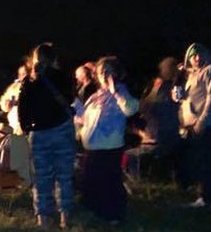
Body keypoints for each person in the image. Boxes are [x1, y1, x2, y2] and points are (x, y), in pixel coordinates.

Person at [17, 43, 76, 229]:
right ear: (53, 59)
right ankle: (64, 216)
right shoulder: (63, 78)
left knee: (42, 178)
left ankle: (42, 218)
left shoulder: (29, 81)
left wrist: (28, 129)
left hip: (39, 133)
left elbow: (22, 111)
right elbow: (70, 100)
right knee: (64, 175)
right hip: (62, 130)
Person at [74, 57, 139, 223]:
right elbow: (84, 118)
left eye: (108, 70)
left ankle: (114, 215)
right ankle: (96, 213)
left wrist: (115, 91)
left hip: (109, 145)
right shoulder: (96, 96)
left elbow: (131, 108)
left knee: (110, 181)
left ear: (115, 73)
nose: (104, 74)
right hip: (92, 146)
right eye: (101, 71)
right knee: (92, 179)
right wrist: (74, 106)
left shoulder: (120, 90)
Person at [173, 43, 211, 207]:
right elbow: (189, 98)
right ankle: (203, 195)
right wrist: (178, 97)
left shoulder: (209, 70)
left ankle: (207, 197)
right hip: (190, 124)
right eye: (193, 55)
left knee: (206, 160)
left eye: (199, 54)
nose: (197, 57)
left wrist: (203, 120)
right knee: (197, 159)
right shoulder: (190, 76)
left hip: (205, 124)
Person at [137, 57, 184, 182]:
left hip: (168, 128)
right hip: (158, 128)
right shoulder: (158, 85)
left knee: (168, 156)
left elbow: (178, 101)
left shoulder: (177, 85)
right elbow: (144, 107)